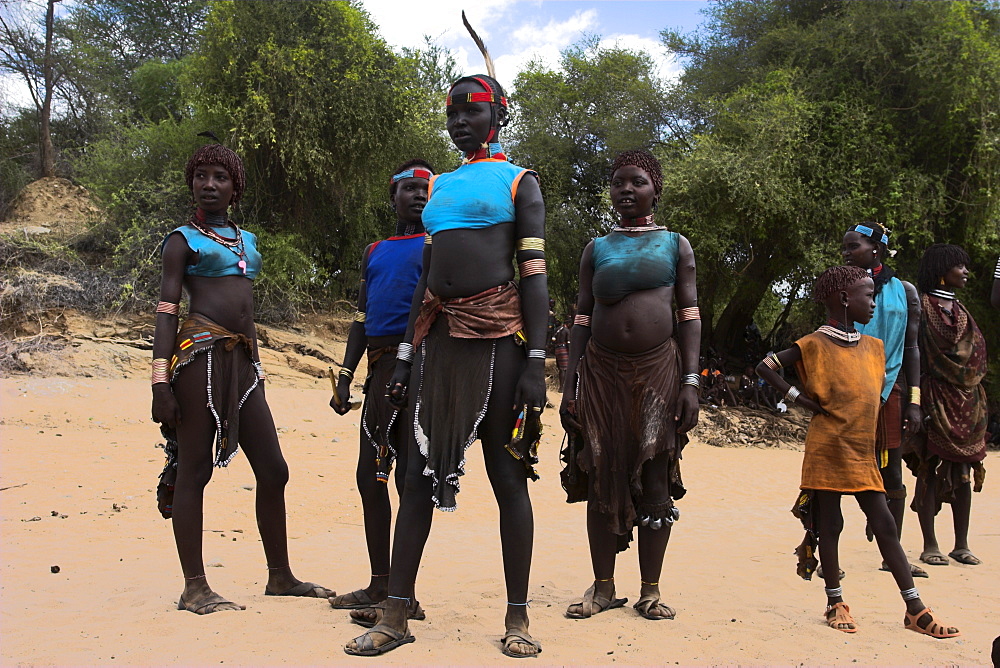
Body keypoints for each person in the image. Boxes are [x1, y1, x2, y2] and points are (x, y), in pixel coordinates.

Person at [344, 72, 547, 658]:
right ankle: (396, 612)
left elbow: (534, 276)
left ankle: (517, 617)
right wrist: (406, 356)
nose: (460, 119)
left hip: (500, 341)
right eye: (453, 111)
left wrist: (535, 358)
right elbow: (427, 286)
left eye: (473, 110)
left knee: (507, 477)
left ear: (498, 115)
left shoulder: (519, 182)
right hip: (438, 344)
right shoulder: (442, 187)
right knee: (414, 479)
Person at [151, 143, 332, 614]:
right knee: (195, 469)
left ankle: (280, 576)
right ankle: (194, 587)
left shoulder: (246, 240)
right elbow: (168, 311)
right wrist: (159, 383)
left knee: (274, 470)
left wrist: (258, 367)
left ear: (235, 187)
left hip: (242, 362)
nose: (209, 185)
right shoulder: (181, 240)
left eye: (220, 178)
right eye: (201, 176)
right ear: (192, 182)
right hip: (199, 358)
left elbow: (246, 310)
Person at [756, 265, 959, 638]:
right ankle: (835, 602)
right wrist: (799, 399)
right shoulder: (812, 344)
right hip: (827, 447)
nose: (874, 303)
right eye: (869, 296)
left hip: (863, 449)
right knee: (830, 526)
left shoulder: (875, 348)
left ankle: (914, 608)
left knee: (884, 524)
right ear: (845, 299)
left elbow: (872, 397)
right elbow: (766, 365)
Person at [559, 149, 700, 623]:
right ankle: (602, 589)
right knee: (599, 471)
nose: (626, 190)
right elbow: (581, 317)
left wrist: (691, 382)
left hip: (658, 372)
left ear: (655, 189)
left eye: (636, 182)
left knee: (654, 474)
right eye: (618, 182)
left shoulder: (676, 245)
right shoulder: (595, 249)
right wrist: (570, 383)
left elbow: (689, 318)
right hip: (599, 375)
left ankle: (651, 591)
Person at [327, 160, 433, 619]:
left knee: (412, 478)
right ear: (393, 195)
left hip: (419, 369)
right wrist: (346, 375)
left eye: (426, 189)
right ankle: (379, 583)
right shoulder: (374, 251)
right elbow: (361, 318)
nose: (418, 195)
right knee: (369, 477)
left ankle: (404, 595)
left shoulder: (437, 246)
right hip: (376, 370)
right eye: (410, 188)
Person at [840, 222, 926, 578]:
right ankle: (821, 549)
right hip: (846, 388)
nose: (846, 252)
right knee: (838, 468)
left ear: (875, 249)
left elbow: (912, 348)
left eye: (853, 246)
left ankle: (893, 555)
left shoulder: (905, 292)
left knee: (891, 469)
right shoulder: (840, 286)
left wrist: (915, 400)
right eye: (844, 248)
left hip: (890, 389)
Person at [906, 244, 987, 567]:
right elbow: (913, 350)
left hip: (967, 403)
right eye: (959, 267)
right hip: (933, 399)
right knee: (929, 470)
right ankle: (930, 544)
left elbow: (978, 354)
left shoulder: (962, 311)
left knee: (964, 473)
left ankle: (961, 544)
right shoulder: (922, 307)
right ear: (942, 271)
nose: (965, 272)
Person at [553, 317, 571, 386]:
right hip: (564, 350)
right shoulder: (566, 331)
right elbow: (568, 343)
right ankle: (561, 387)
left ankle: (561, 386)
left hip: (557, 349)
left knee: (560, 368)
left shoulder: (557, 330)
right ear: (568, 324)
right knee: (564, 369)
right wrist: (569, 352)